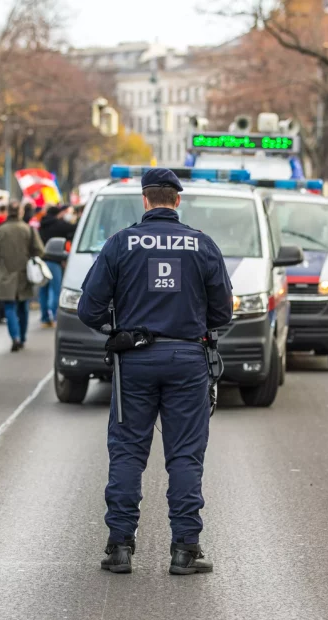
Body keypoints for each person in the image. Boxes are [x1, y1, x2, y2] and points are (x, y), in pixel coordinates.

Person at [77, 168, 233, 576]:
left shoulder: (120, 244)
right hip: (187, 360)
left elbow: (88, 309)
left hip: (135, 362)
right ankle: (185, 549)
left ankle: (120, 547)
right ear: (177, 201)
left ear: (144, 200)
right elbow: (223, 312)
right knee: (184, 456)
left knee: (128, 452)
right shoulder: (202, 245)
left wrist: (120, 331)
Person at [0, 203, 45, 351]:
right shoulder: (28, 229)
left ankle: (14, 337)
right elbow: (39, 250)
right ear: (20, 212)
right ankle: (22, 337)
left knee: (9, 307)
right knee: (23, 307)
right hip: (24, 274)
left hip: (6, 274)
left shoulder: (0, 231)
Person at [37, 204, 76, 326]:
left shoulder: (41, 225)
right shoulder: (59, 225)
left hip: (42, 261)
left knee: (43, 290)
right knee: (55, 289)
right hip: (55, 261)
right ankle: (54, 316)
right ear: (58, 214)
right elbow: (73, 228)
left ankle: (44, 318)